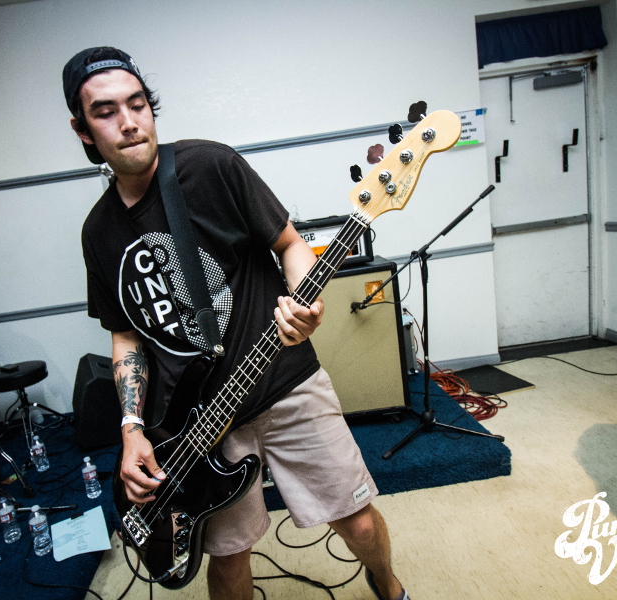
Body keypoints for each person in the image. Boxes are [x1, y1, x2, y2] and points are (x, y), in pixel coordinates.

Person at [65, 47, 409, 600]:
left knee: (360, 524)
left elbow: (290, 245)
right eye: (106, 112)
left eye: (137, 104)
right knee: (227, 562)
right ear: (83, 130)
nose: (128, 122)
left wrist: (303, 305)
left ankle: (389, 587)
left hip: (282, 379)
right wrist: (131, 430)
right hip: (195, 424)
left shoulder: (210, 166)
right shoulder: (98, 233)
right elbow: (125, 334)